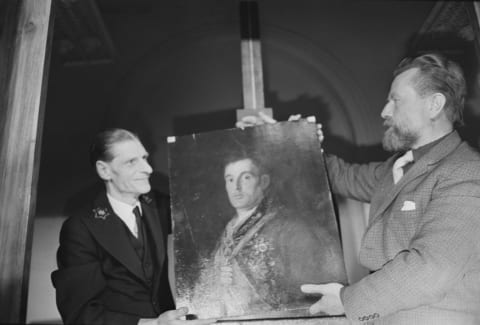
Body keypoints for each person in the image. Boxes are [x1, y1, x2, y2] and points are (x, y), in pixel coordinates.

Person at [240, 52, 480, 324]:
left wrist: (346, 300)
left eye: (395, 100)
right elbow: (340, 176)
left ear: (435, 104)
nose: (384, 111)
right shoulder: (395, 169)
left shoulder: (468, 171)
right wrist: (291, 141)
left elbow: (432, 268)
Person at [51, 129, 215, 325]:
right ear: (105, 170)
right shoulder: (81, 228)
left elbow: (215, 218)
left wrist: (251, 133)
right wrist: (150, 324)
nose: (148, 169)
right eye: (131, 162)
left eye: (145, 158)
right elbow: (80, 314)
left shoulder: (164, 207)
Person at [189, 151, 346, 319]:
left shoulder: (289, 228)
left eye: (246, 177)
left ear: (263, 182)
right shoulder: (228, 232)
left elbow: (309, 294)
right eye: (230, 179)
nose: (237, 187)